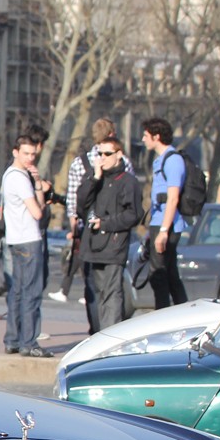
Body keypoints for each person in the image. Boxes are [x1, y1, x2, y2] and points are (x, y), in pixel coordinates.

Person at [50, 117, 117, 331]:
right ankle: (109, 328)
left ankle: (95, 328)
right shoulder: (119, 161)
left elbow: (73, 202)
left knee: (91, 283)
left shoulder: (81, 163)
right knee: (112, 285)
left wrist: (74, 229)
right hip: (113, 229)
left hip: (87, 229)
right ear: (112, 135)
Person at [73, 132, 142, 329]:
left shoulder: (128, 181)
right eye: (100, 154)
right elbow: (81, 206)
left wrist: (106, 223)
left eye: (107, 154)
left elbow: (133, 214)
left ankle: (109, 336)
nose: (102, 158)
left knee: (112, 293)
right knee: (98, 293)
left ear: (119, 155)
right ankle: (98, 333)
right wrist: (95, 178)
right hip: (93, 245)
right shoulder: (95, 178)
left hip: (114, 244)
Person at [0, 130, 50, 357]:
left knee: (17, 291)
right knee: (31, 292)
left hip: (14, 239)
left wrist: (38, 183)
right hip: (29, 239)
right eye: (26, 153)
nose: (30, 158)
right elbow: (37, 212)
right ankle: (29, 342)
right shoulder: (20, 178)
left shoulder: (9, 175)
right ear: (16, 152)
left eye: (32, 153)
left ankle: (13, 339)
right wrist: (36, 189)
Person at [140, 117, 189, 308]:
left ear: (156, 136)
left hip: (167, 225)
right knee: (168, 274)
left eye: (146, 135)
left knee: (159, 275)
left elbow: (173, 198)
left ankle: (166, 316)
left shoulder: (173, 160)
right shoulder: (161, 160)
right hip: (159, 222)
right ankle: (181, 314)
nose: (143, 139)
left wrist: (163, 230)